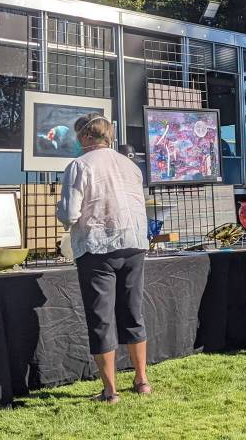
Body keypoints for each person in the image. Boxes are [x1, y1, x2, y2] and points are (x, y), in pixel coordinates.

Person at [56, 113, 150, 404]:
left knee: (101, 319)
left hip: (97, 248)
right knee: (133, 313)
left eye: (76, 137)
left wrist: (60, 213)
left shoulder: (79, 166)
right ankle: (142, 380)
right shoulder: (131, 165)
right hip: (134, 245)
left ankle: (110, 390)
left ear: (85, 137)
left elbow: (70, 214)